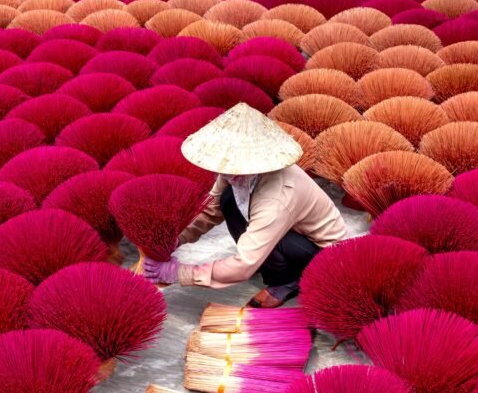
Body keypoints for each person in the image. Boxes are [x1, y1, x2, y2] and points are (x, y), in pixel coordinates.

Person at [142, 102, 348, 308]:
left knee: (263, 243)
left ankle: (286, 281)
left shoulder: (276, 198)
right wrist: (176, 239)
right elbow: (210, 209)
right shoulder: (235, 170)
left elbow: (243, 266)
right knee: (227, 200)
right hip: (290, 233)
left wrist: (180, 273)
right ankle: (268, 262)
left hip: (321, 256)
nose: (223, 171)